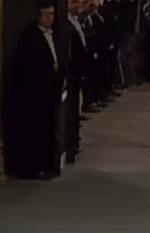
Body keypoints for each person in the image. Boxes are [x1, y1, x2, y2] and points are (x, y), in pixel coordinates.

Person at [3, 0, 65, 179]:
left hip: (47, 94)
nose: (49, 18)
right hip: (33, 96)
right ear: (38, 16)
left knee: (47, 132)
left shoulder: (52, 35)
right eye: (46, 14)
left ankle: (46, 165)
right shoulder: (31, 37)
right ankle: (34, 168)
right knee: (34, 133)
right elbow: (29, 68)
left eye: (52, 15)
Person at [67, 0, 87, 163]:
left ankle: (74, 141)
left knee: (75, 109)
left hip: (78, 74)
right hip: (71, 75)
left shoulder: (76, 22)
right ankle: (70, 143)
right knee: (71, 109)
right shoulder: (66, 24)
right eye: (75, 2)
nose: (79, 4)